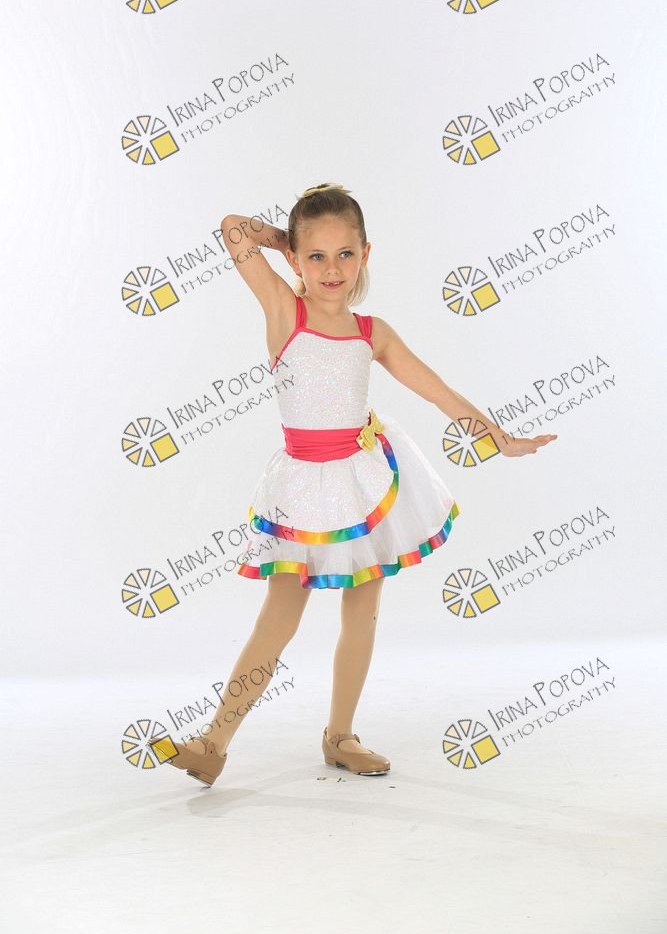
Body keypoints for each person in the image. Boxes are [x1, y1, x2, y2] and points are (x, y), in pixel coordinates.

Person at [159, 183, 557, 786]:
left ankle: (340, 735)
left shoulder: (373, 332)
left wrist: (497, 436)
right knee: (277, 619)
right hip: (300, 487)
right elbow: (233, 227)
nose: (332, 269)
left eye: (345, 254)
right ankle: (213, 743)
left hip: (362, 484)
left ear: (365, 254)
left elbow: (438, 391)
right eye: (315, 256)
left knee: (362, 612)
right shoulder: (284, 311)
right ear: (296, 260)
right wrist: (284, 242)